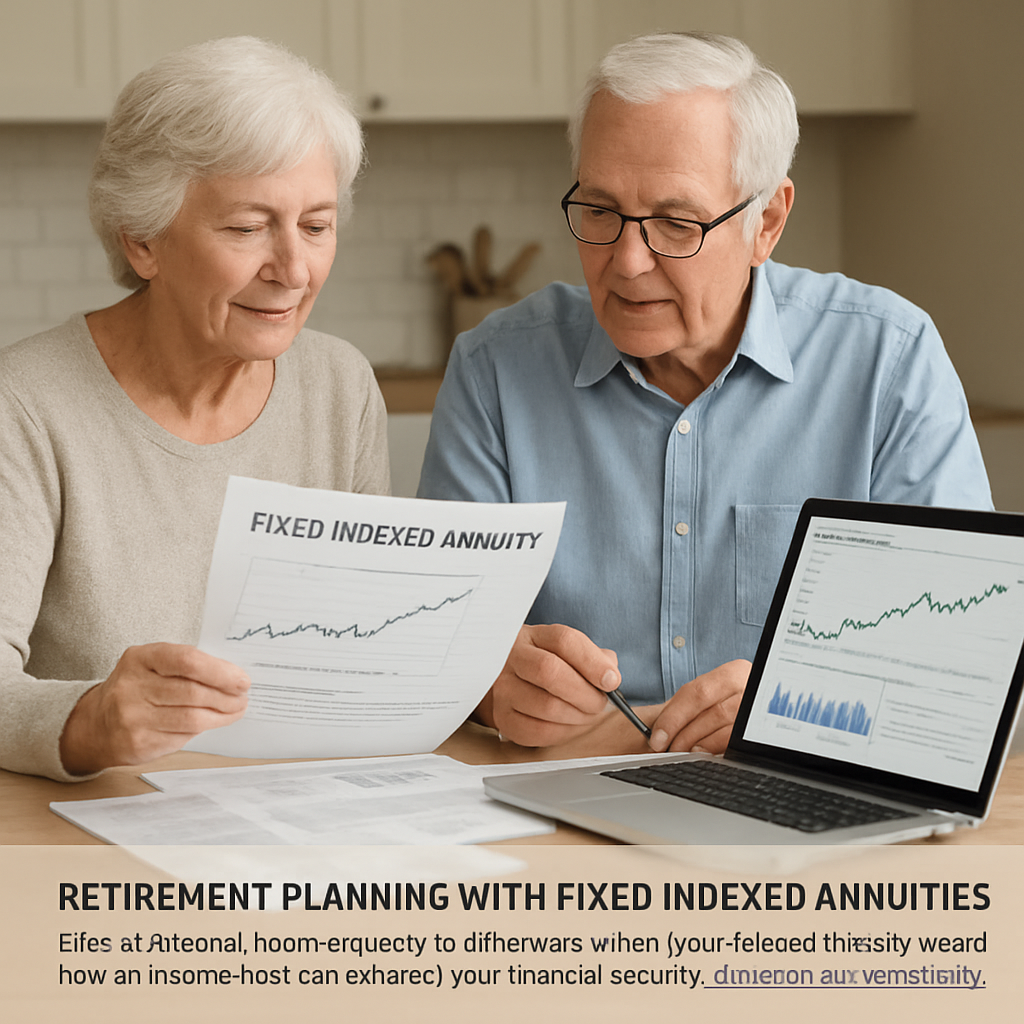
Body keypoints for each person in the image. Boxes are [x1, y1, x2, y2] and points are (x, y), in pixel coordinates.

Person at [418, 32, 992, 754]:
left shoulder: (889, 362)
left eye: (675, 222)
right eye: (599, 211)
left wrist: (796, 706)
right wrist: (486, 688)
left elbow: (962, 668)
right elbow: (432, 648)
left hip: (798, 787)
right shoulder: (494, 370)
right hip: (559, 795)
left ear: (766, 223)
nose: (628, 262)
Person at [0, 37, 389, 782]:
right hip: (93, 818)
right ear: (143, 242)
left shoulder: (339, 386)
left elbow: (365, 653)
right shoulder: (24, 404)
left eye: (315, 226)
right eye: (247, 228)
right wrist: (92, 721)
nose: (294, 270)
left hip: (297, 802)